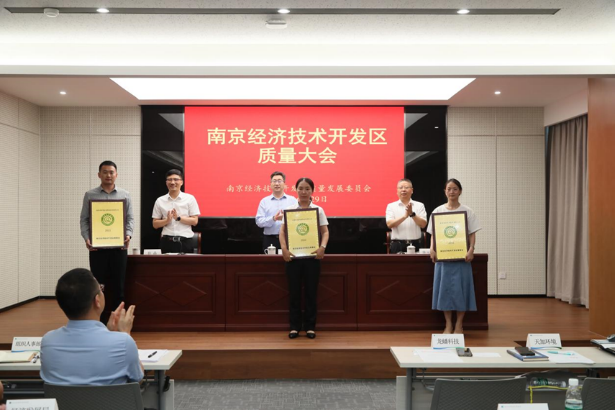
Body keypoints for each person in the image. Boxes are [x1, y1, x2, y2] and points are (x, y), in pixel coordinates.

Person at [40, 268, 143, 386]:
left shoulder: (48, 342)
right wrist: (125, 333)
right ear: (97, 300)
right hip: (111, 399)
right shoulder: (124, 343)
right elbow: (137, 381)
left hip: (63, 399)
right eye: (101, 289)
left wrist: (109, 332)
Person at [427, 179, 481, 334]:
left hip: (461, 259)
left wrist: (471, 249)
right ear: (445, 191)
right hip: (443, 259)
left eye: (455, 189)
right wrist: (432, 249)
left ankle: (459, 325)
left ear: (460, 191)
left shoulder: (468, 211)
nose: (452, 192)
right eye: (449, 189)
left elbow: (472, 233)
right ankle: (448, 324)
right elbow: (434, 234)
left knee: (461, 290)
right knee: (445, 291)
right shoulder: (438, 211)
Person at [80, 160, 134, 313]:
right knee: (99, 287)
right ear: (99, 175)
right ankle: (100, 320)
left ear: (116, 175)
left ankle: (117, 319)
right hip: (98, 248)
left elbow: (130, 218)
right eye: (105, 172)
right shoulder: (90, 195)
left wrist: (128, 235)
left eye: (111, 172)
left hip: (119, 247)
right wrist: (87, 237)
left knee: (119, 286)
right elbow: (84, 219)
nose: (108, 175)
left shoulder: (125, 194)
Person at [279, 178, 329, 339]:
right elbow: (282, 232)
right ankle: (294, 327)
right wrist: (284, 249)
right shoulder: (289, 210)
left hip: (312, 258)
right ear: (296, 190)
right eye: (301, 188)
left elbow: (325, 232)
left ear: (312, 191)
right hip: (293, 258)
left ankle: (310, 327)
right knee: (294, 293)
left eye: (307, 188)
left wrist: (322, 247)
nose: (304, 192)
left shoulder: (318, 210)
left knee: (311, 293)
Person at [152, 169, 201, 254]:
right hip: (166, 242)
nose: (172, 182)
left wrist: (178, 218)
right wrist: (167, 220)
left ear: (181, 182)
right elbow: (155, 224)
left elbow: (194, 221)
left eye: (176, 179)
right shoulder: (160, 200)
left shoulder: (190, 199)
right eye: (169, 180)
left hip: (186, 241)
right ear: (166, 182)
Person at [256, 171, 298, 253]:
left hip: (289, 239)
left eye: (279, 181)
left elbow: (298, 219)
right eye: (274, 181)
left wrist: (286, 218)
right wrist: (273, 219)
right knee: (270, 261)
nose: (277, 184)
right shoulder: (264, 201)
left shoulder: (292, 200)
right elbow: (259, 222)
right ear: (270, 184)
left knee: (289, 260)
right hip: (270, 239)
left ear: (284, 183)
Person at [385, 179, 427, 253]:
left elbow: (423, 224)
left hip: (415, 244)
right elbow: (389, 224)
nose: (403, 190)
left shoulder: (420, 205)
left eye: (406, 187)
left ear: (412, 190)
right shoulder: (391, 206)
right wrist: (404, 217)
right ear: (397, 191)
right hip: (397, 245)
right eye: (401, 187)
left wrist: (412, 214)